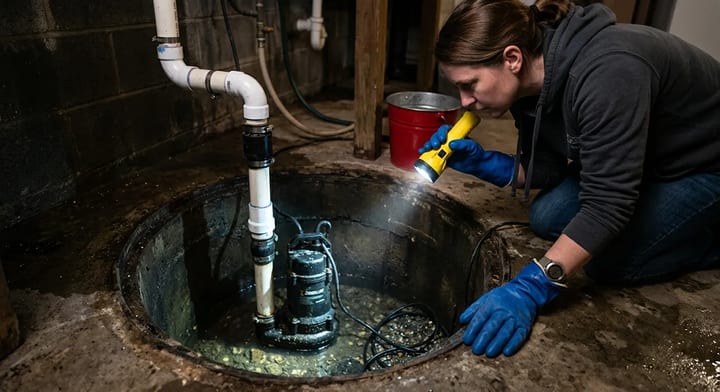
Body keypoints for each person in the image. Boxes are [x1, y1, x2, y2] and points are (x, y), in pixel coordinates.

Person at [419, 0, 720, 358]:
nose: (465, 101)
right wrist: (485, 163)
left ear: (511, 58)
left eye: (470, 85)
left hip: (705, 168)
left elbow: (609, 205)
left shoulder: (610, 71)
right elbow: (550, 167)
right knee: (548, 216)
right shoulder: (530, 85)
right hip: (652, 164)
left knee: (610, 263)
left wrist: (531, 287)